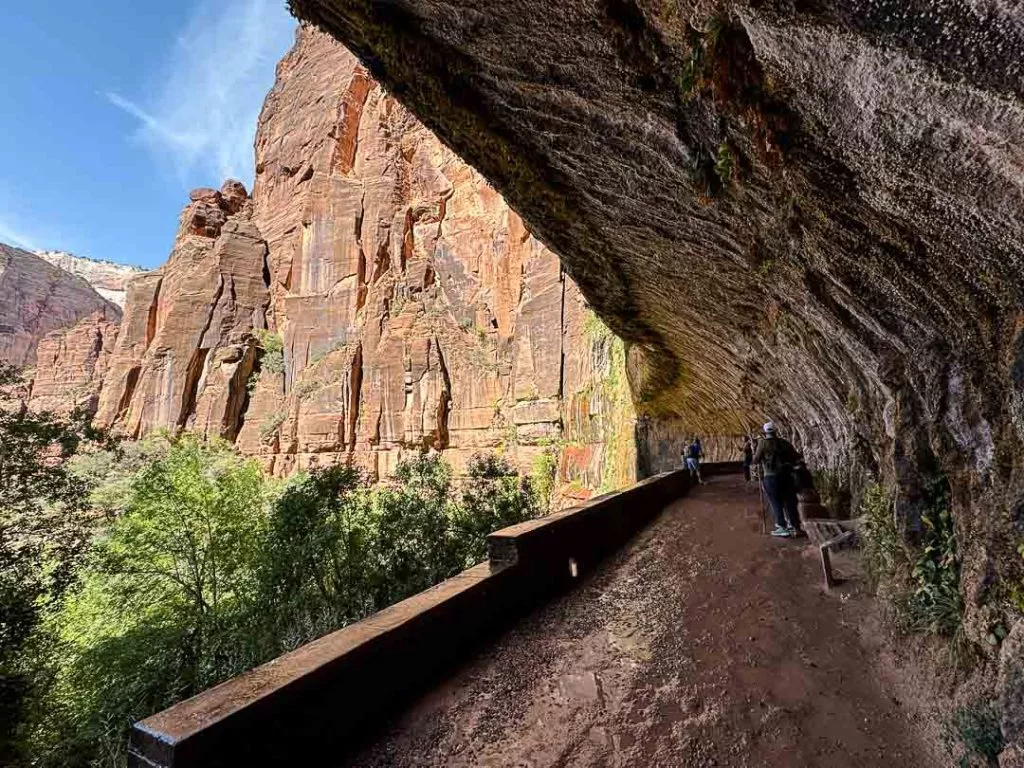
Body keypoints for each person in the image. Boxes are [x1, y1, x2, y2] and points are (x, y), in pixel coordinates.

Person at [753, 421, 803, 537]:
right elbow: (796, 456)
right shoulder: (785, 443)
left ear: (765, 432)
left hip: (771, 477)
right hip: (787, 476)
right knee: (790, 501)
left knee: (775, 502)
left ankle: (782, 526)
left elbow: (756, 460)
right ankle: (795, 526)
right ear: (776, 431)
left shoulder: (763, 443)